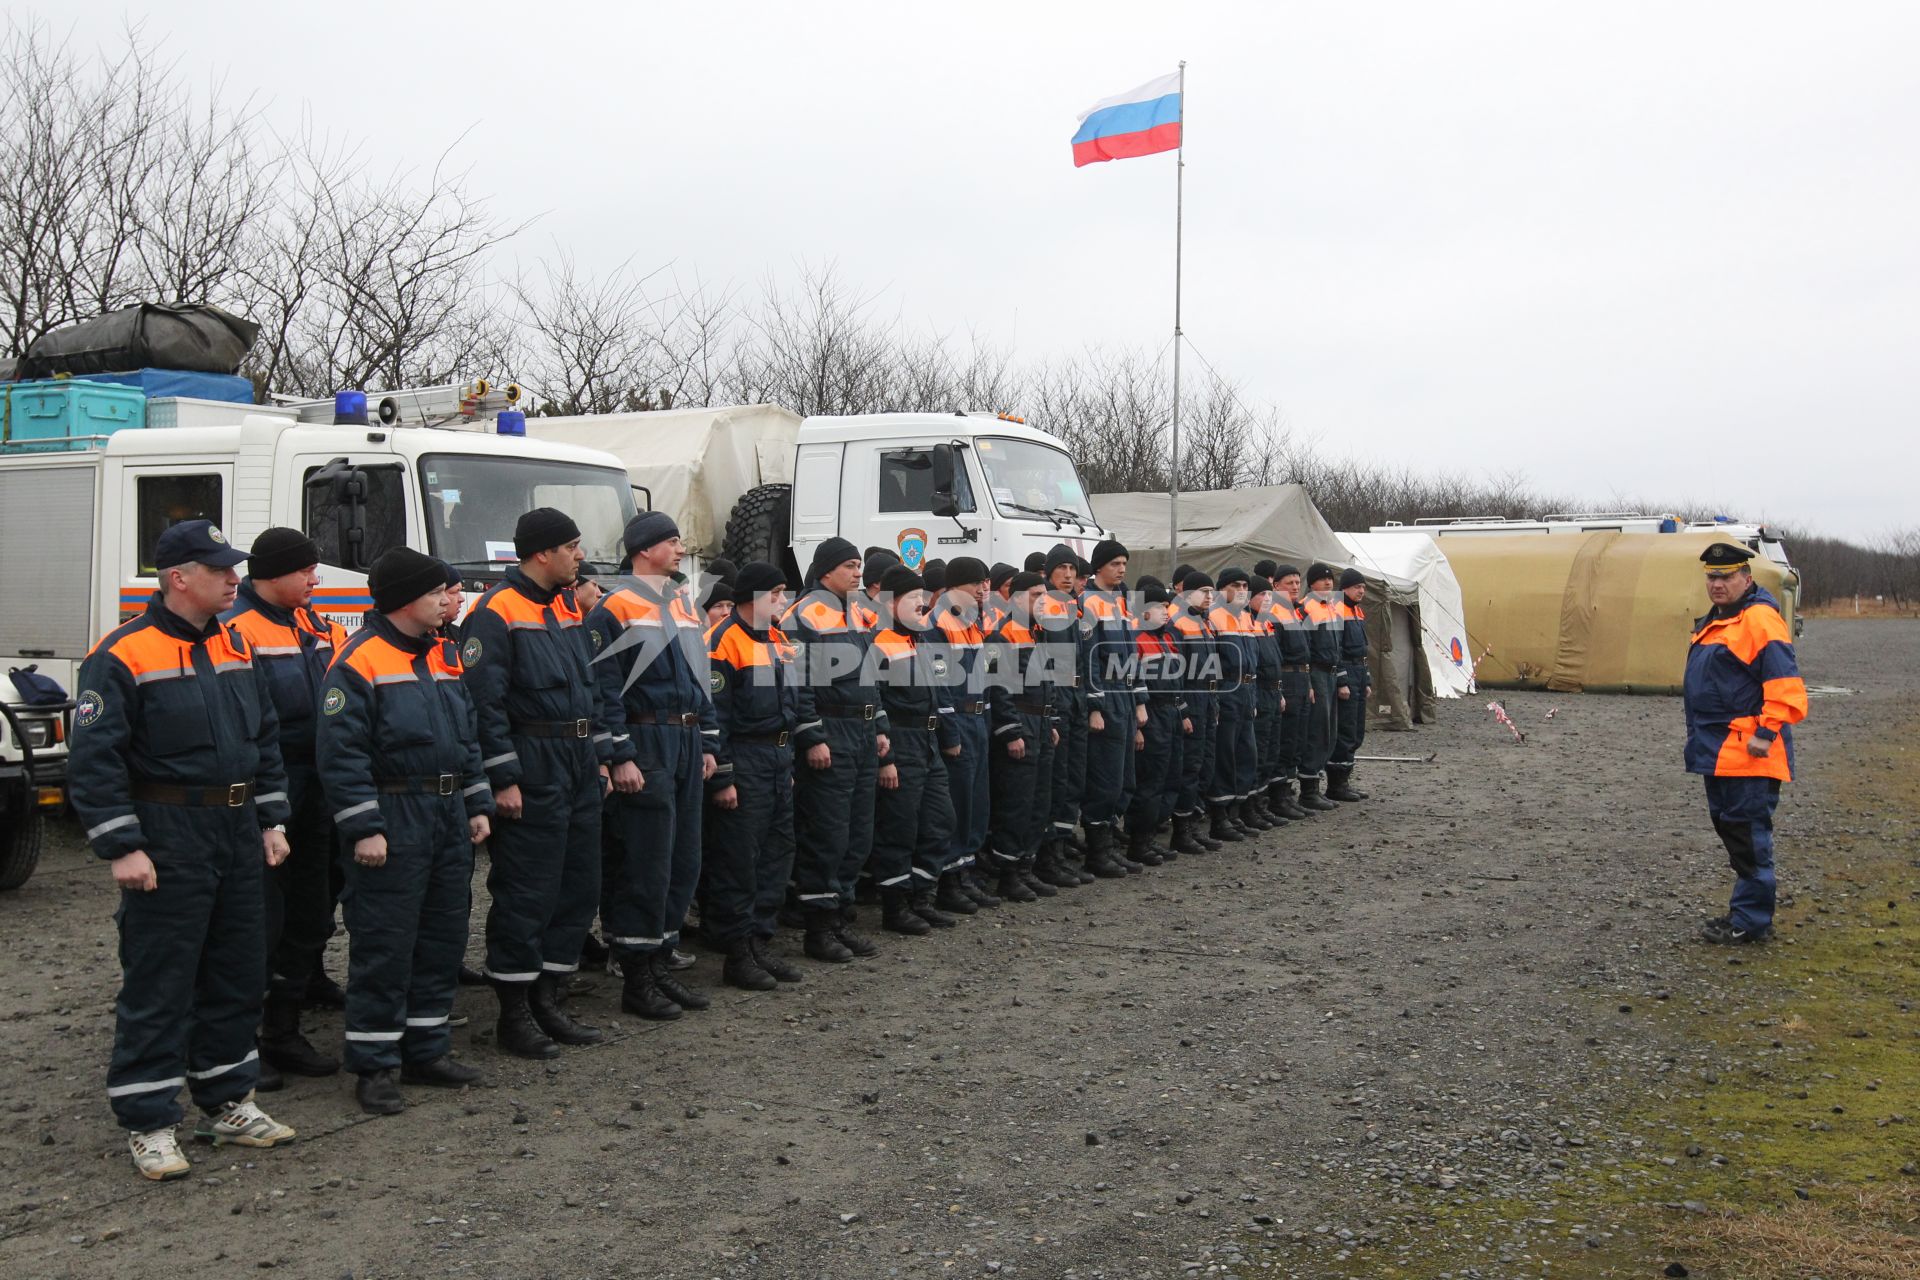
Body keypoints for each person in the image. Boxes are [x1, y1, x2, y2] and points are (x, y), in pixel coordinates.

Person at [70, 519, 296, 1180]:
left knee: (236, 968)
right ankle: (149, 1120)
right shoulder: (122, 655)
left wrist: (270, 817)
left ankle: (227, 1100)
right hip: (168, 833)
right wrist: (121, 846)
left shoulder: (233, 643)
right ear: (178, 577)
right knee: (161, 976)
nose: (235, 578)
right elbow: (95, 761)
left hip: (234, 829)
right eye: (221, 569)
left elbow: (264, 737)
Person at [317, 548, 494, 1115]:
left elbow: (466, 738)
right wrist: (364, 827)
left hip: (443, 816)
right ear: (403, 600)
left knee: (442, 937)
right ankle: (374, 1064)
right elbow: (341, 757)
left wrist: (475, 801)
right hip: (394, 818)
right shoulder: (358, 661)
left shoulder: (443, 657)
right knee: (385, 942)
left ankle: (426, 1048)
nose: (448, 600)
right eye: (435, 592)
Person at [463, 508, 612, 1059]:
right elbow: (484, 701)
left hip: (574, 760)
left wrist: (598, 757)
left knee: (576, 884)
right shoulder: (496, 611)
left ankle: (550, 996)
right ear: (543, 553)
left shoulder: (565, 607)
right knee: (527, 889)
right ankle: (515, 1010)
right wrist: (503, 776)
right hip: (532, 762)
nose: (579, 555)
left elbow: (588, 688)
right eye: (572, 546)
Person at [220, 528, 346, 1087]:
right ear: (272, 573)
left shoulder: (310, 623)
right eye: (307, 570)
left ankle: (284, 1030)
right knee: (258, 921)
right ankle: (241, 1042)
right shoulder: (235, 627)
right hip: (268, 786)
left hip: (313, 783)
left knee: (308, 908)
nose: (316, 580)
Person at [587, 512, 721, 1019]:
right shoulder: (613, 607)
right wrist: (619, 753)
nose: (680, 547)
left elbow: (700, 679)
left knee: (683, 855)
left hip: (686, 738)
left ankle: (660, 960)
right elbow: (603, 689)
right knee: (646, 857)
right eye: (671, 540)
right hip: (647, 738)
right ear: (644, 549)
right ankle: (636, 972)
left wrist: (709, 742)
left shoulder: (684, 605)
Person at [1685, 542, 1807, 945]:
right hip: (1719, 751)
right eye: (1711, 576)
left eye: (1725, 576)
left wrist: (1766, 732)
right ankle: (1747, 914)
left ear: (1746, 578)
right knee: (1733, 832)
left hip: (1749, 751)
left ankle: (1751, 922)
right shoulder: (1716, 620)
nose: (1717, 584)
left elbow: (1786, 688)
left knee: (1748, 837)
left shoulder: (1760, 621)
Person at [787, 537, 890, 962]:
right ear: (826, 570)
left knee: (857, 834)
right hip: (831, 731)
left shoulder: (856, 613)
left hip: (862, 732)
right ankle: (819, 928)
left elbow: (869, 675)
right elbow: (797, 679)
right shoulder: (803, 614)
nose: (858, 573)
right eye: (850, 565)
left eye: (860, 565)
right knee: (826, 834)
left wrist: (880, 723)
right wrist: (812, 734)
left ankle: (841, 916)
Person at [702, 561, 805, 988]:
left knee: (777, 853)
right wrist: (724, 776)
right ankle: (737, 951)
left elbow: (791, 703)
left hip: (777, 760)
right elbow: (716, 716)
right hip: (744, 758)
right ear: (753, 598)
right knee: (739, 859)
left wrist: (790, 761)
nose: (783, 602)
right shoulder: (722, 641)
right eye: (777, 594)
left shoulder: (778, 639)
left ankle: (759, 942)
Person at [867, 565, 962, 933]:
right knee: (899, 827)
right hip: (900, 741)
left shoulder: (920, 640)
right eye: (914, 599)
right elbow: (874, 700)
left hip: (927, 743)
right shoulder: (878, 642)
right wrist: (886, 757)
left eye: (924, 599)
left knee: (939, 820)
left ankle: (922, 895)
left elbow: (940, 695)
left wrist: (946, 737)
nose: (922, 606)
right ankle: (896, 907)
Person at [984, 570, 1063, 897]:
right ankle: (1008, 874)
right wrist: (1011, 731)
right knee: (1015, 803)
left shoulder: (1037, 633)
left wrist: (1053, 721)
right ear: (1016, 598)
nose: (1043, 601)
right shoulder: (1000, 636)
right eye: (1035, 595)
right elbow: (995, 687)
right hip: (1021, 726)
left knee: (1038, 802)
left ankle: (1026, 865)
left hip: (1041, 726)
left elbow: (1048, 682)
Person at [930, 556, 996, 912]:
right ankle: (948, 881)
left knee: (976, 802)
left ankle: (966, 871)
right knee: (956, 805)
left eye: (986, 582)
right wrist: (950, 734)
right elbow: (940, 687)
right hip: (957, 722)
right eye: (977, 583)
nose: (984, 589)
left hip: (978, 720)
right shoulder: (938, 622)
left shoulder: (971, 622)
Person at [1079, 539, 1144, 875]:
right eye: (1116, 563)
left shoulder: (1120, 600)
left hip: (1124, 692)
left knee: (1124, 779)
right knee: (1104, 778)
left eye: (1124, 563)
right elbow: (1089, 659)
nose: (1121, 569)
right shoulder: (1088, 602)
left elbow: (1132, 651)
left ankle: (1109, 839)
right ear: (1099, 566)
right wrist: (1095, 706)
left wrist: (1139, 700)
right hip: (1104, 691)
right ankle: (1096, 851)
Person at [1038, 545, 1095, 883]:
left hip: (1075, 697)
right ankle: (1048, 857)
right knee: (1056, 781)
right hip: (1056, 697)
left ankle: (1060, 849)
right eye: (1061, 568)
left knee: (1073, 778)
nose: (1069, 574)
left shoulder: (1072, 607)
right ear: (1048, 572)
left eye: (1072, 569)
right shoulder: (1044, 606)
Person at [1123, 576, 1185, 867]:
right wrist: (1139, 720)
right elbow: (1132, 681)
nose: (1166, 611)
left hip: (1170, 713)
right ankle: (1139, 840)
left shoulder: (1169, 638)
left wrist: (1182, 712)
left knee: (1170, 776)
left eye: (1167, 606)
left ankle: (1152, 834)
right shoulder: (1136, 639)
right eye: (1160, 606)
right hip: (1152, 714)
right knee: (1150, 780)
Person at [1168, 570, 1222, 854]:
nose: (1209, 597)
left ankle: (1194, 822)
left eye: (1211, 592)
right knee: (1189, 766)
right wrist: (1183, 708)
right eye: (1203, 591)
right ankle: (1181, 830)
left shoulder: (1203, 622)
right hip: (1191, 696)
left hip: (1207, 697)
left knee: (1204, 763)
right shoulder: (1178, 623)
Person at [1207, 567, 1259, 842]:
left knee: (1245, 753)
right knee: (1224, 754)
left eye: (1244, 585)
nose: (1241, 590)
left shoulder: (1246, 618)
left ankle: (1236, 811)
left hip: (1246, 689)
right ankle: (1219, 817)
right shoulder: (1214, 617)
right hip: (1227, 689)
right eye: (1235, 585)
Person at [1295, 564, 1347, 812]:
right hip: (1316, 671)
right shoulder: (1306, 608)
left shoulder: (1333, 608)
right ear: (1312, 583)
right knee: (1317, 730)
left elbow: (1339, 646)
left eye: (1330, 579)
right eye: (1322, 580)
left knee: (1330, 731)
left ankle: (1317, 781)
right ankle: (1308, 788)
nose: (1328, 583)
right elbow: (1305, 647)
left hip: (1331, 673)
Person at [1267, 565, 1313, 821]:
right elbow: (1277, 654)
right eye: (1289, 583)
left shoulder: (1294, 612)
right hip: (1287, 677)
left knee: (1297, 738)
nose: (1295, 586)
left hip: (1301, 676)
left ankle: (1287, 792)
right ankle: (1277, 796)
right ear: (1276, 586)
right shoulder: (1273, 613)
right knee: (1284, 739)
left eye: (1297, 582)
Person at [1244, 574, 1286, 831]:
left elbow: (1275, 664)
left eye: (1270, 595)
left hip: (1273, 693)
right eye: (1262, 595)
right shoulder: (1247, 624)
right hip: (1257, 693)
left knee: (1270, 750)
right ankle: (1250, 807)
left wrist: (1279, 692)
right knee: (1256, 753)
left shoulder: (1267, 625)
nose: (1268, 599)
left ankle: (1261, 802)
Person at [1327, 568, 1372, 802]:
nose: (1361, 591)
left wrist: (1367, 678)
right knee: (1344, 730)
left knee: (1356, 731)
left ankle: (1345, 779)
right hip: (1347, 673)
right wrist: (1342, 680)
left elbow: (1362, 649)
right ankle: (1336, 784)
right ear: (1344, 588)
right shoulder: (1337, 611)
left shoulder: (1357, 611)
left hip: (1359, 672)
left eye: (1363, 587)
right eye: (1357, 587)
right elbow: (1338, 650)